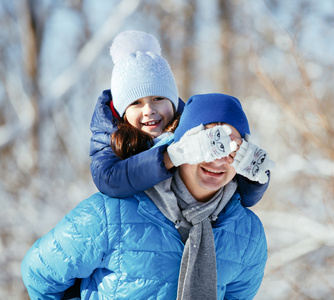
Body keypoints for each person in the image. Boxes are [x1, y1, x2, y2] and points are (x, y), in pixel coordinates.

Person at [22, 93, 268, 300]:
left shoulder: (247, 235)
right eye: (210, 142)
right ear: (182, 146)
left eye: (233, 146)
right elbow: (39, 273)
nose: (217, 159)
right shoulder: (108, 214)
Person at [89, 30, 270, 208]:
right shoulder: (109, 137)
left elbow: (236, 193)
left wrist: (252, 177)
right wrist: (172, 156)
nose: (149, 110)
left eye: (158, 99)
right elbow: (110, 180)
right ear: (122, 111)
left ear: (173, 101)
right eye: (136, 103)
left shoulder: (188, 126)